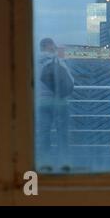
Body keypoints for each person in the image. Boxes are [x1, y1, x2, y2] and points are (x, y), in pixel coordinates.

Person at [36, 38, 74, 173]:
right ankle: (63, 163)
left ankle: (44, 164)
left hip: (42, 103)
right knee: (62, 135)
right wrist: (62, 58)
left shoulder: (34, 62)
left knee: (44, 134)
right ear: (51, 47)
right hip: (60, 103)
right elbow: (70, 81)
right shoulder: (58, 61)